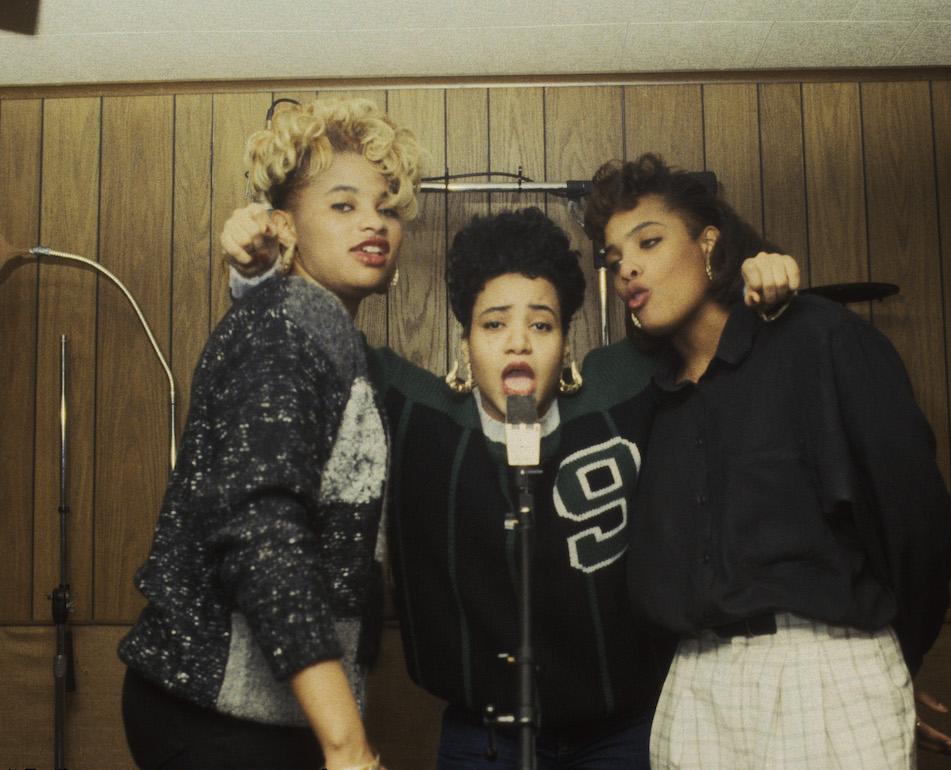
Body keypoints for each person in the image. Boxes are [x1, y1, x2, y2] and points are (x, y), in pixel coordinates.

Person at [224, 196, 799, 767]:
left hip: (621, 734)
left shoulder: (619, 390)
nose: (518, 340)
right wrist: (256, 276)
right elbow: (314, 341)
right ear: (466, 346)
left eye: (541, 324)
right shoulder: (416, 414)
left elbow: (696, 319)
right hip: (484, 741)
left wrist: (753, 278)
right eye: (494, 323)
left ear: (567, 344)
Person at [583, 153, 951, 769]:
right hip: (694, 686)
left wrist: (891, 656)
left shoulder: (818, 338)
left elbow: (918, 524)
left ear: (711, 243)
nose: (626, 266)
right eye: (612, 256)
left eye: (649, 241)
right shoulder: (651, 397)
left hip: (828, 667)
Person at [118, 96, 423, 770]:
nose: (374, 221)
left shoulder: (310, 330)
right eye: (343, 205)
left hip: (252, 712)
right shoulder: (288, 332)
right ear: (285, 226)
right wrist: (347, 743)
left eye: (388, 207)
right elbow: (262, 534)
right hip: (219, 719)